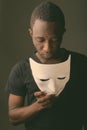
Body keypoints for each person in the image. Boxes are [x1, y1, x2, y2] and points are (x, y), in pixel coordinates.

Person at [6, 1, 87, 130]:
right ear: (31, 33)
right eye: (40, 40)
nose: (47, 48)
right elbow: (13, 117)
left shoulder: (81, 63)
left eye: (54, 40)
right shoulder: (21, 69)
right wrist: (38, 106)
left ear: (62, 33)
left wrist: (62, 101)